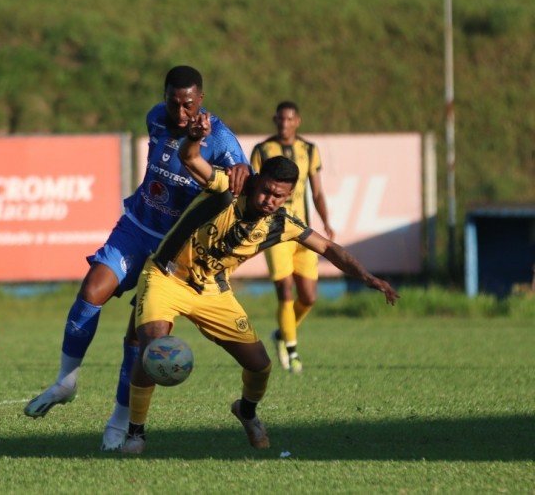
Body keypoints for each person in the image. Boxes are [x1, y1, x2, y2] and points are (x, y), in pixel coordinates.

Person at [120, 113, 398, 454]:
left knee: (260, 364)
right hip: (166, 274)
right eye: (267, 190)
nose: (270, 200)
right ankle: (135, 432)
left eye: (280, 196)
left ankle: (246, 412)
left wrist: (367, 276)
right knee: (153, 348)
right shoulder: (228, 186)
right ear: (258, 180)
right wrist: (193, 138)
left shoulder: (281, 223)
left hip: (210, 290)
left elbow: (328, 247)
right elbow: (190, 158)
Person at [23, 66, 252, 451]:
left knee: (138, 336)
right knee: (92, 290)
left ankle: (119, 421)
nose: (180, 113)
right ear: (163, 98)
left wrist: (243, 168)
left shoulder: (222, 139)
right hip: (135, 226)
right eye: (174, 103)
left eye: (189, 105)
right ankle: (66, 380)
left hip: (174, 249)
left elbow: (242, 176)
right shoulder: (154, 118)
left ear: (202, 101)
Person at [250, 101, 334, 373]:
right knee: (285, 291)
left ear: (297, 121)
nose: (284, 124)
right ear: (275, 120)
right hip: (274, 232)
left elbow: (318, 191)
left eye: (289, 120)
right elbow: (252, 188)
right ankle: (292, 351)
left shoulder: (309, 150)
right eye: (280, 119)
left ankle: (282, 334)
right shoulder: (263, 150)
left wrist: (326, 222)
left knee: (308, 297)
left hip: (303, 231)